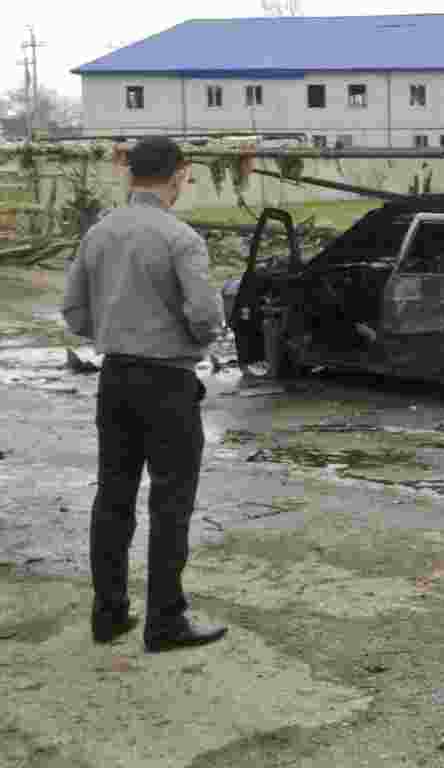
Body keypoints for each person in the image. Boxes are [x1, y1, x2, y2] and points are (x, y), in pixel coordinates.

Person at [62, 137, 228, 652]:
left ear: (130, 174)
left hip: (114, 380)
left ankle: (108, 614)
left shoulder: (99, 234)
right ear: (178, 174)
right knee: (170, 502)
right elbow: (204, 314)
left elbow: (74, 311)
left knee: (113, 497)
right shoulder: (180, 238)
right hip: (168, 382)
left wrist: (116, 331)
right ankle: (165, 620)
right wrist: (197, 340)